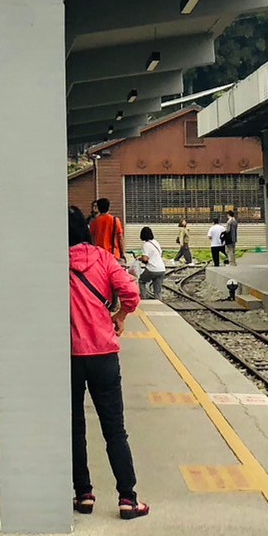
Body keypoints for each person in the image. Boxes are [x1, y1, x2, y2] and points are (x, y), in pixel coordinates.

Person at [68, 207, 148, 519]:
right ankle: (127, 498)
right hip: (103, 355)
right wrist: (120, 316)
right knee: (115, 429)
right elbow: (131, 292)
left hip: (70, 357)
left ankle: (84, 495)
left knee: (75, 428)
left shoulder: (54, 263)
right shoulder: (103, 258)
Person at [137, 226, 166, 300]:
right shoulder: (156, 242)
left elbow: (145, 258)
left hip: (152, 269)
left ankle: (144, 300)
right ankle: (159, 306)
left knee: (141, 281)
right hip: (162, 269)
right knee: (157, 291)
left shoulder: (146, 245)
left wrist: (139, 259)